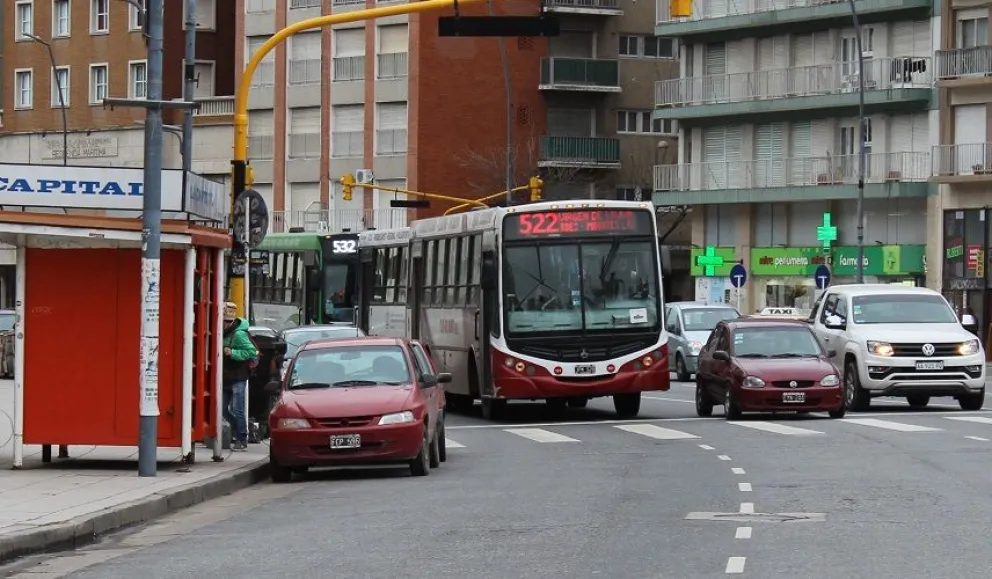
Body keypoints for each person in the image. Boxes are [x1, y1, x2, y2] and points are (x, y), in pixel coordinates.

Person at [222, 302, 257, 451]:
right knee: (222, 409)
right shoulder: (224, 332)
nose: (224, 324)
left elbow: (252, 352)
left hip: (238, 376)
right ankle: (239, 430)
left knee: (238, 409)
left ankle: (241, 438)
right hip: (226, 376)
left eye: (226, 321)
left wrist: (233, 353)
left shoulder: (239, 334)